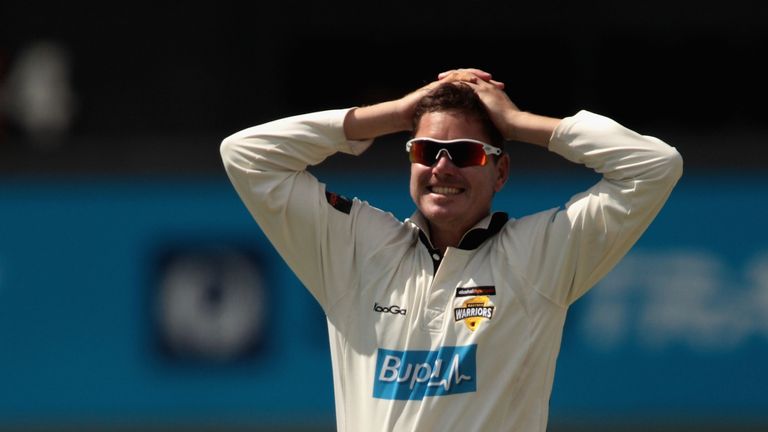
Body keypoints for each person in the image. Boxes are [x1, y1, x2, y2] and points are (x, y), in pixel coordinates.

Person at [219, 68, 683, 431]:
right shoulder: (356, 248)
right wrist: (396, 112)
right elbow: (245, 154)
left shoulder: (541, 254)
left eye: (465, 153)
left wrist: (519, 123)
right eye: (425, 151)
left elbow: (655, 166)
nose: (442, 167)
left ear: (500, 173)